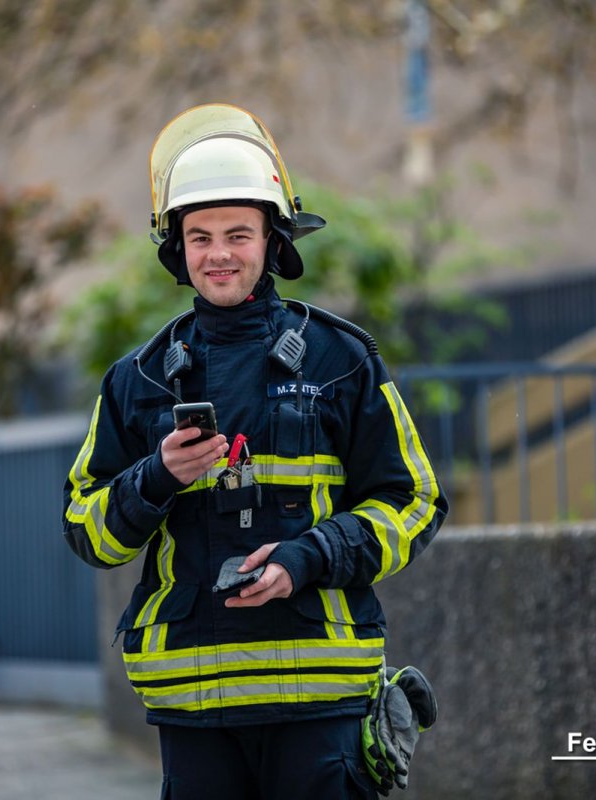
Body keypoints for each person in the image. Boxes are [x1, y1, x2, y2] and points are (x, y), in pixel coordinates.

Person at [63, 103, 447, 799]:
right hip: (191, 704)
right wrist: (154, 479)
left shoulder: (342, 359)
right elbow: (85, 530)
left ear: (273, 239)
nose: (218, 253)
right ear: (175, 247)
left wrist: (310, 557)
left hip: (320, 698)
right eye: (199, 235)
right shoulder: (136, 381)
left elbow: (415, 502)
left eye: (238, 233)